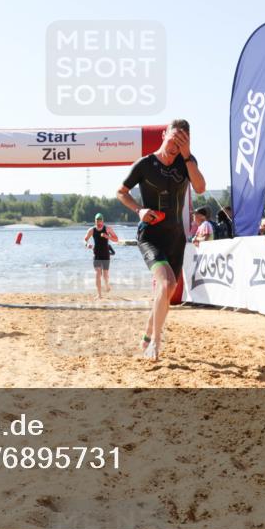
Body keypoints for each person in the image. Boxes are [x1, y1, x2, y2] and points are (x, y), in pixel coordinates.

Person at [117, 119, 206, 360]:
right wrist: (139, 210)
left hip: (175, 236)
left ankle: (147, 332)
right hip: (150, 235)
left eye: (182, 141)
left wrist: (187, 157)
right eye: (173, 138)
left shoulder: (186, 162)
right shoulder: (145, 164)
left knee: (168, 290)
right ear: (163, 134)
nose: (176, 145)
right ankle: (155, 342)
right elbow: (121, 193)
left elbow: (199, 188)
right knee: (166, 283)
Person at [84, 213, 119, 299]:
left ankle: (107, 285)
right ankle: (99, 295)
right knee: (97, 274)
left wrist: (107, 236)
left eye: (100, 221)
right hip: (96, 255)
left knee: (105, 275)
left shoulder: (107, 229)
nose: (99, 223)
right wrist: (87, 244)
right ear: (95, 221)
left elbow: (116, 239)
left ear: (103, 221)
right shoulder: (91, 230)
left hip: (106, 255)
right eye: (97, 221)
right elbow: (85, 240)